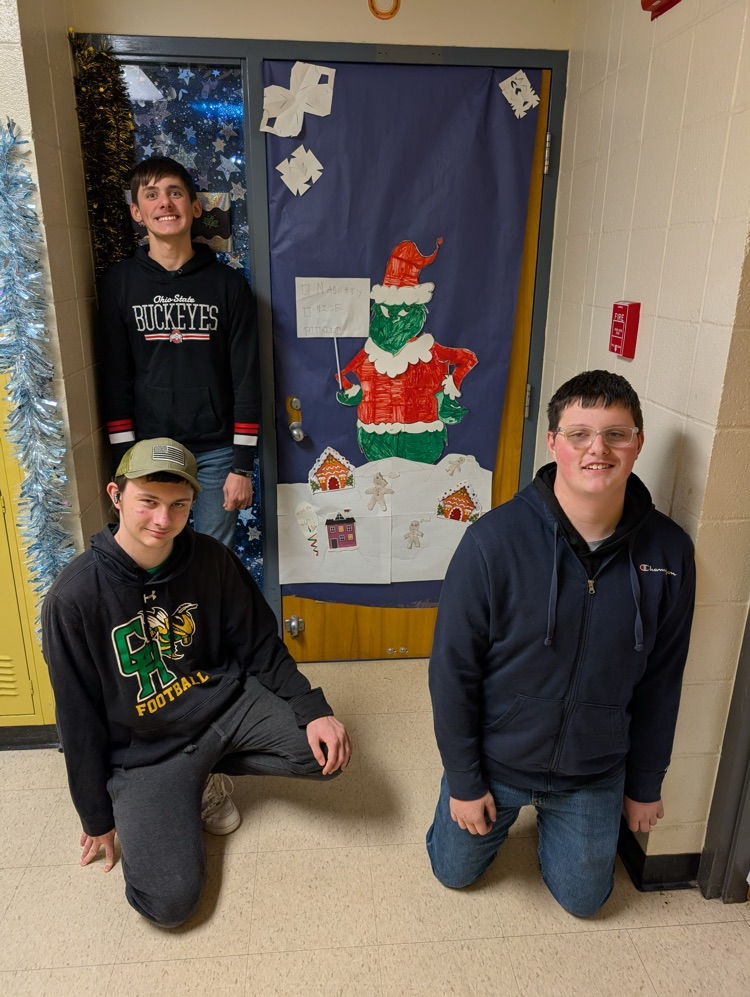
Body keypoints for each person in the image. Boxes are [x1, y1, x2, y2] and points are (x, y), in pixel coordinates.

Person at [42, 438, 351, 928]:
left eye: (178, 505)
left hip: (223, 705)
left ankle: (203, 776)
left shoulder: (209, 558)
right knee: (170, 906)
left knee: (326, 753)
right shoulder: (73, 598)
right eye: (148, 501)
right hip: (146, 748)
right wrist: (96, 816)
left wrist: (313, 708)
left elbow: (259, 644)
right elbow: (76, 719)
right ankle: (177, 791)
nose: (163, 520)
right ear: (116, 495)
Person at [426, 370, 695, 917]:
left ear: (638, 443)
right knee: (453, 873)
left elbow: (664, 680)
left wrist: (645, 783)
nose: (599, 449)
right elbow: (452, 672)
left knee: (586, 901)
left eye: (617, 434)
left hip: (592, 769)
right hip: (498, 758)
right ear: (553, 443)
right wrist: (463, 777)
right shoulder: (491, 542)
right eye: (580, 434)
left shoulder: (670, 552)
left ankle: (563, 823)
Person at [98, 156, 259, 548]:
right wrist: (125, 466)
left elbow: (247, 378)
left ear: (195, 206)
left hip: (216, 453)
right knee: (151, 552)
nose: (165, 203)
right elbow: (115, 378)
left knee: (212, 560)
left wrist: (242, 466)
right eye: (151, 195)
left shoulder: (228, 286)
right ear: (137, 212)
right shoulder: (119, 284)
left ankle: (200, 615)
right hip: (148, 451)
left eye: (175, 193)